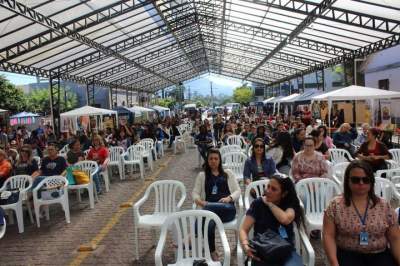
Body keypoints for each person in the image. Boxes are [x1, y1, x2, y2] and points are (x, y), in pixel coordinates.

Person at [323, 160, 400, 266]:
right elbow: (328, 235)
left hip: (379, 254)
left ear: (371, 182)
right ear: (347, 181)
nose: (361, 183)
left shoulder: (384, 205)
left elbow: (394, 237)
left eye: (366, 180)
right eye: (355, 180)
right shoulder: (335, 205)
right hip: (348, 254)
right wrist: (334, 262)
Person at [239, 175, 305, 266]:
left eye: (274, 189)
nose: (268, 191)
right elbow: (243, 229)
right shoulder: (258, 204)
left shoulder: (290, 205)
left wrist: (270, 204)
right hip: (263, 250)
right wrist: (245, 245)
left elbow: (285, 219)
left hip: (286, 252)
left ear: (284, 194)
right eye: (268, 186)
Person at [192, 149, 241, 261]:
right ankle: (212, 251)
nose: (213, 161)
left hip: (227, 209)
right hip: (209, 212)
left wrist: (229, 198)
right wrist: (200, 201)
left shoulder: (228, 173)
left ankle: (193, 234)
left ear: (219, 160)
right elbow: (194, 192)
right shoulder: (202, 175)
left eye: (216, 158)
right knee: (210, 221)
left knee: (207, 210)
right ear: (207, 160)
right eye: (211, 159)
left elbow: (238, 191)